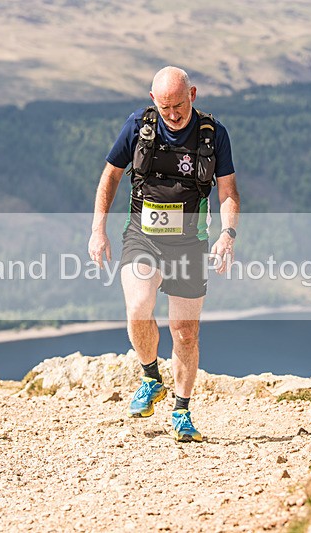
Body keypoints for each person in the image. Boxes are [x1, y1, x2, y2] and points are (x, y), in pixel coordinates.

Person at [88, 66, 240, 442]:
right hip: (143, 237)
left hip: (190, 243)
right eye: (165, 106)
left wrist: (228, 235)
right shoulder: (138, 126)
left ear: (192, 95)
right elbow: (110, 175)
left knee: (185, 333)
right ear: (153, 100)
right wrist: (97, 230)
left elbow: (228, 190)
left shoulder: (213, 134)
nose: (172, 114)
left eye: (179, 106)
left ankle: (182, 411)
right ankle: (151, 377)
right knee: (139, 306)